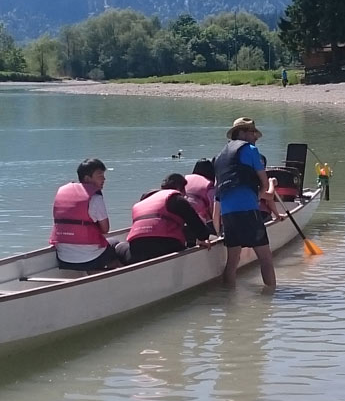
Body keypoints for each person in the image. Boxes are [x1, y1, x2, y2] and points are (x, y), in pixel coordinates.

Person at [214, 117, 282, 289]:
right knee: (266, 259)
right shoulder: (251, 149)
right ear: (242, 133)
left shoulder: (219, 157)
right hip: (248, 210)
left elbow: (219, 190)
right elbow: (265, 183)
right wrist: (258, 195)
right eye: (253, 132)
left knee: (232, 262)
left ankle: (229, 301)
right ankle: (271, 299)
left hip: (228, 214)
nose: (256, 137)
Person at [116, 174, 217, 264]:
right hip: (166, 248)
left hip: (135, 251)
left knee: (118, 246)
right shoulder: (178, 199)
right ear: (181, 189)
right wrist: (203, 238)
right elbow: (199, 228)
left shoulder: (145, 199)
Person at [51, 158, 117, 272]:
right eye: (100, 175)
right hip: (91, 259)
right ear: (87, 178)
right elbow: (105, 229)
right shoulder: (95, 198)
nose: (104, 178)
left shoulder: (62, 193)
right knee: (116, 245)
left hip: (63, 259)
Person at [185, 159, 218, 233]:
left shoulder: (185, 179)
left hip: (180, 219)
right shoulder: (209, 186)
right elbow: (214, 211)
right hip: (198, 222)